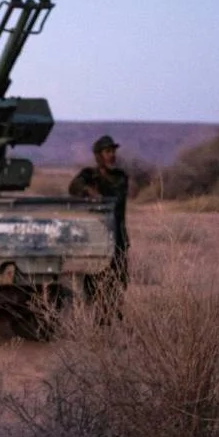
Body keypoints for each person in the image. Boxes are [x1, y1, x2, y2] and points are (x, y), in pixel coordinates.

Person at [69, 135, 131, 318]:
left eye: (113, 151)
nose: (112, 155)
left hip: (117, 238)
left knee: (117, 280)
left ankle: (109, 319)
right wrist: (88, 190)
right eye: (107, 152)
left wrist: (96, 192)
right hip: (94, 239)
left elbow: (114, 197)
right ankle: (94, 321)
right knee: (91, 282)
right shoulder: (88, 175)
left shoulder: (120, 177)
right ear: (98, 155)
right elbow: (73, 187)